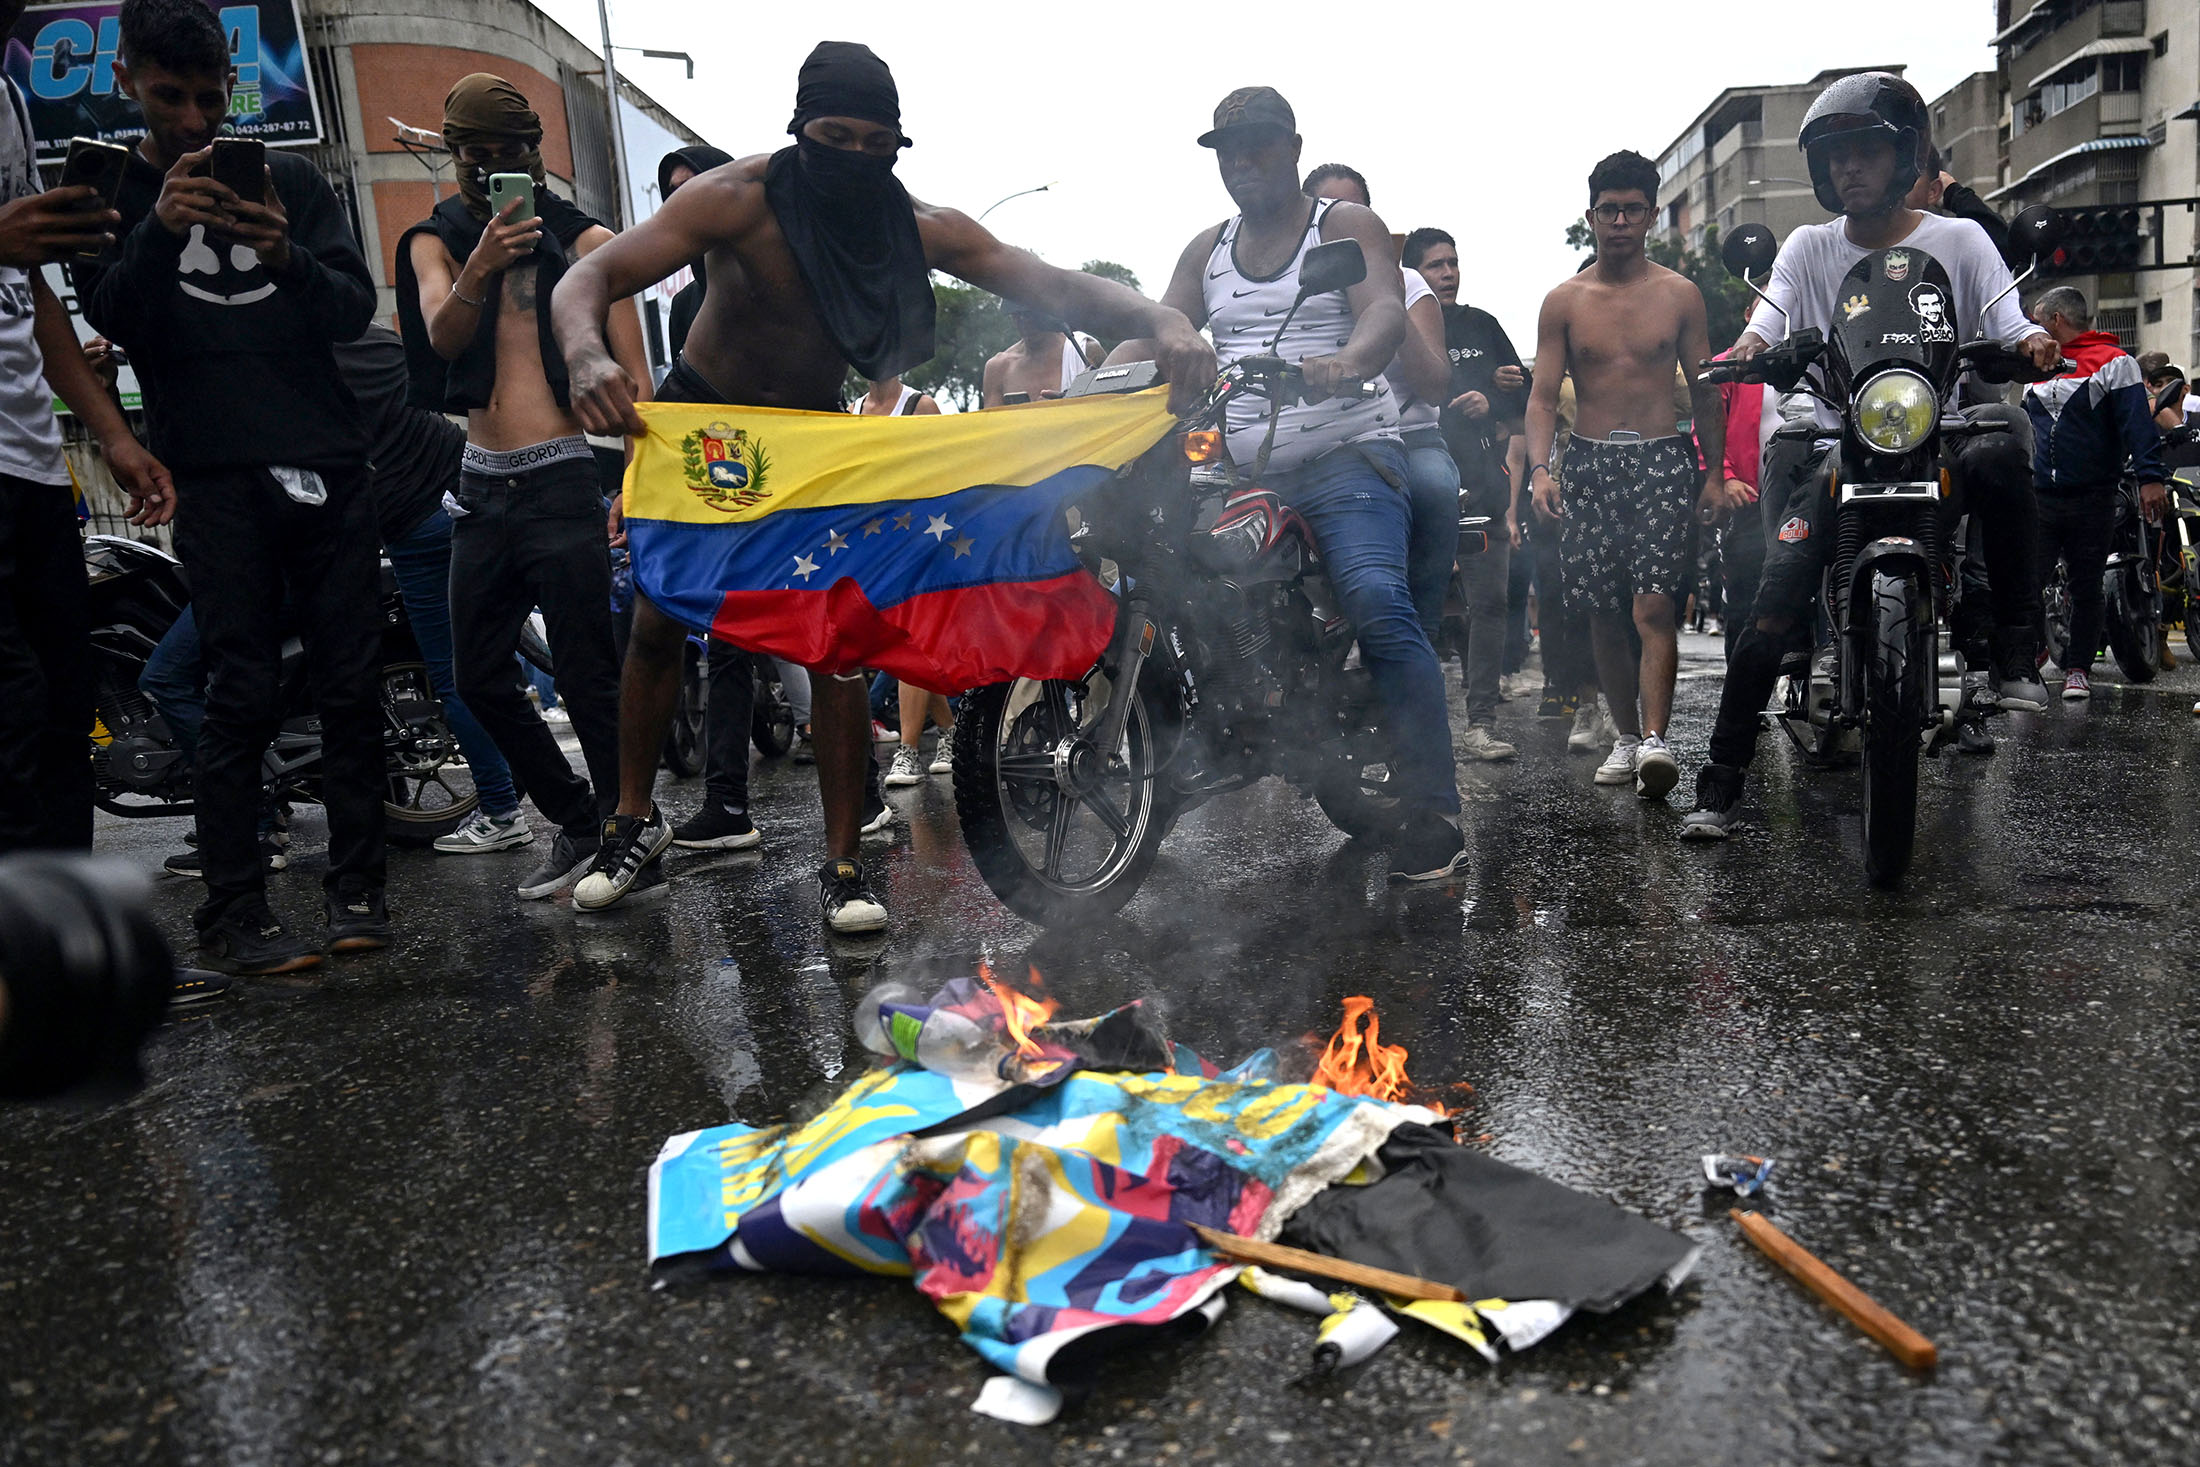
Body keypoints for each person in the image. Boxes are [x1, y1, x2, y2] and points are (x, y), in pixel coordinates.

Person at [549, 41, 1216, 928]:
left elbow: (1051, 282)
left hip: (815, 442)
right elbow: (591, 275)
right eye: (836, 137)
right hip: (707, 424)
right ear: (800, 130)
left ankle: (845, 864)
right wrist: (585, 352)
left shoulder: (915, 223)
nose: (856, 157)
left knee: (837, 641)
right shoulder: (736, 197)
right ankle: (632, 825)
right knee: (656, 619)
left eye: (877, 143)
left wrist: (1164, 318)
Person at [79, 0, 386, 972]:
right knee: (239, 689)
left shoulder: (290, 178)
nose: (193, 120)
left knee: (349, 685)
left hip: (327, 460)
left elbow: (351, 308)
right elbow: (111, 315)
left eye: (210, 99)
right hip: (213, 474)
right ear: (127, 80)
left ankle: (359, 890)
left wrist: (286, 252)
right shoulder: (107, 190)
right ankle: (234, 910)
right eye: (169, 97)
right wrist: (159, 227)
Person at [1681, 72, 2058, 839]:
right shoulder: (1809, 246)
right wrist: (1750, 348)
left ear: (1905, 154)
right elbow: (1767, 319)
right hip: (1839, 445)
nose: (1849, 167)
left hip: (1936, 437)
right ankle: (1719, 785)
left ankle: (2015, 647)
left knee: (2002, 443)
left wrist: (2033, 341)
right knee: (1769, 606)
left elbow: (2010, 319)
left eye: (1865, 151)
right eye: (1836, 155)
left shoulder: (1960, 240)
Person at [1128, 87, 1464, 878]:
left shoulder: (1344, 227)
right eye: (1228, 149)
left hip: (1348, 457)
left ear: (1293, 148)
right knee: (1158, 576)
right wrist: (1081, 394)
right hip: (1239, 469)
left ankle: (1435, 811)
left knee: (1376, 600)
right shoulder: (1206, 250)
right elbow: (1155, 335)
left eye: (1258, 145)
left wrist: (1349, 360)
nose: (1242, 162)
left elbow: (1383, 310)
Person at [396, 74, 650, 903]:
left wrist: (635, 482)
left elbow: (637, 378)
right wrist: (481, 263)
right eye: (476, 153)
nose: (494, 165)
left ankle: (627, 833)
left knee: (588, 672)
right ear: (454, 154)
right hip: (479, 482)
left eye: (511, 151)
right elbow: (441, 338)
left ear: (536, 153)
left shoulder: (589, 243)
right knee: (476, 674)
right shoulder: (433, 241)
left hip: (564, 473)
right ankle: (577, 819)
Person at [0, 6, 171, 860]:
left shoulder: (9, 95)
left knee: (68, 709)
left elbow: (32, 296)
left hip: (31, 460)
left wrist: (114, 434)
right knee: (14, 711)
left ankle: (59, 928)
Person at [1523, 150, 1730, 801]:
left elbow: (1706, 390)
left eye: (1632, 210)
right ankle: (1625, 735)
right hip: (1588, 463)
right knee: (1603, 612)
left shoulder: (1679, 295)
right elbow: (1540, 397)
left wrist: (1714, 474)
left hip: (1662, 458)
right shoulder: (1564, 300)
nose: (1619, 222)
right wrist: (1540, 471)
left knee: (1654, 605)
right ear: (1590, 216)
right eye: (1608, 210)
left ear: (1651, 216)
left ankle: (1657, 741)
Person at [1400, 224, 1526, 760]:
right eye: (1436, 265)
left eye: (1453, 262)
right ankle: (1414, 731)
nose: (1448, 273)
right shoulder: (1396, 324)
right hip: (1414, 487)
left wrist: (1493, 402)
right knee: (1414, 611)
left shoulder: (1482, 324)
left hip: (1481, 488)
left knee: (1491, 605)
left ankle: (1481, 725)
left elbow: (1524, 402)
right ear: (1411, 274)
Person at [2024, 285, 2165, 701]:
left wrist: (2151, 478)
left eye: (2037, 321)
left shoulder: (2114, 362)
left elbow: (2137, 423)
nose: (2031, 329)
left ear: (2056, 321)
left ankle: (2078, 670)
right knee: (2028, 582)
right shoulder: (2035, 367)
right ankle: (2029, 656)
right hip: (2041, 495)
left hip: (2093, 495)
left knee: (2087, 585)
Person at [853, 375, 961, 790]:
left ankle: (909, 751)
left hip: (920, 538)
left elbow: (945, 476)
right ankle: (950, 732)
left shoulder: (921, 406)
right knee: (900, 643)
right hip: (876, 543)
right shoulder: (853, 411)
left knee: (908, 642)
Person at [982, 306, 1100, 407]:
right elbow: (993, 424)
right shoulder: (998, 368)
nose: (1023, 321)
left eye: (1029, 314)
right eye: (1017, 315)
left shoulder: (1083, 351)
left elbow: (1106, 411)